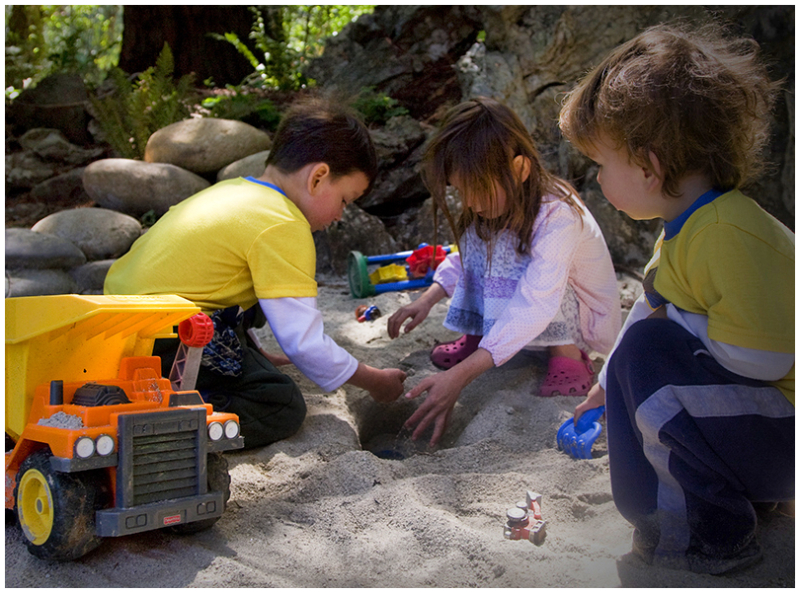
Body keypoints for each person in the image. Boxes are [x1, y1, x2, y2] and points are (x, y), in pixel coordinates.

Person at [559, 23, 794, 575]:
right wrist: (605, 380)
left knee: (648, 350)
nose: (596, 179)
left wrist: (669, 330)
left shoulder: (726, 233)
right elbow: (652, 305)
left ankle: (715, 535)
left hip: (787, 436)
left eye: (602, 163)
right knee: (636, 357)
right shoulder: (684, 230)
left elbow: (764, 359)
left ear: (649, 164)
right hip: (759, 432)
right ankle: (732, 502)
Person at [105, 97, 407, 449]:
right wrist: (374, 380)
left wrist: (256, 351)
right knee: (280, 403)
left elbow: (219, 288)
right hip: (164, 345)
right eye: (344, 199)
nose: (340, 215)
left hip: (113, 329)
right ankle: (165, 426)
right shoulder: (282, 223)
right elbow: (303, 342)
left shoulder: (231, 192)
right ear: (318, 177)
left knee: (259, 306)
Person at [387, 96, 621, 446]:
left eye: (477, 189)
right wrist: (428, 298)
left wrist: (462, 377)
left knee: (545, 278)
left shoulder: (558, 215)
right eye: (460, 190)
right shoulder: (493, 209)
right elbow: (464, 258)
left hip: (579, 320)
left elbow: (537, 300)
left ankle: (567, 357)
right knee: (477, 238)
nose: (469, 202)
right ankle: (478, 337)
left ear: (520, 170)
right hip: (527, 321)